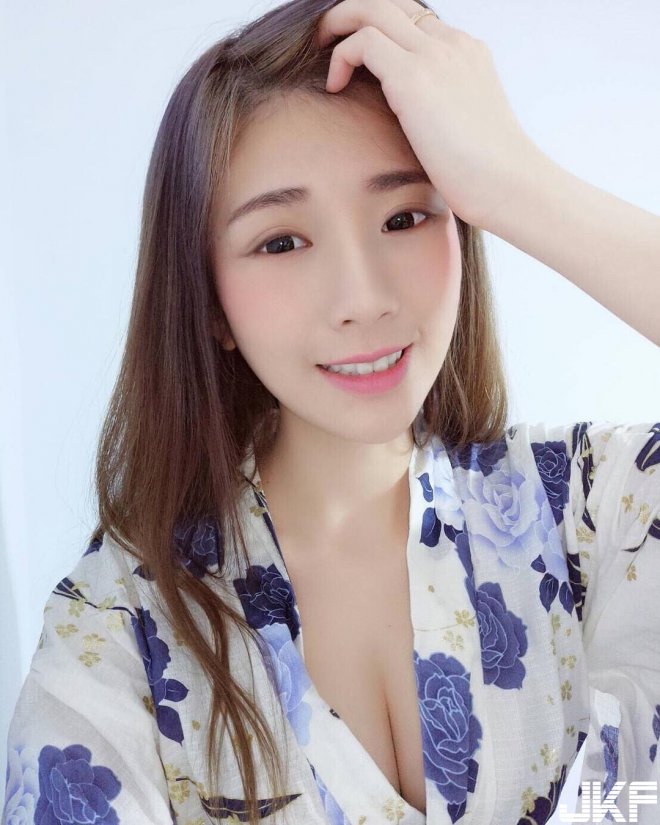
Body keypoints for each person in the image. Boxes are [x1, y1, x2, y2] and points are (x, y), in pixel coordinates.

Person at [3, 0, 659, 822]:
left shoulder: (590, 512)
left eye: (404, 216)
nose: (363, 297)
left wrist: (518, 181)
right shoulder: (120, 632)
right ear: (207, 297)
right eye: (281, 241)